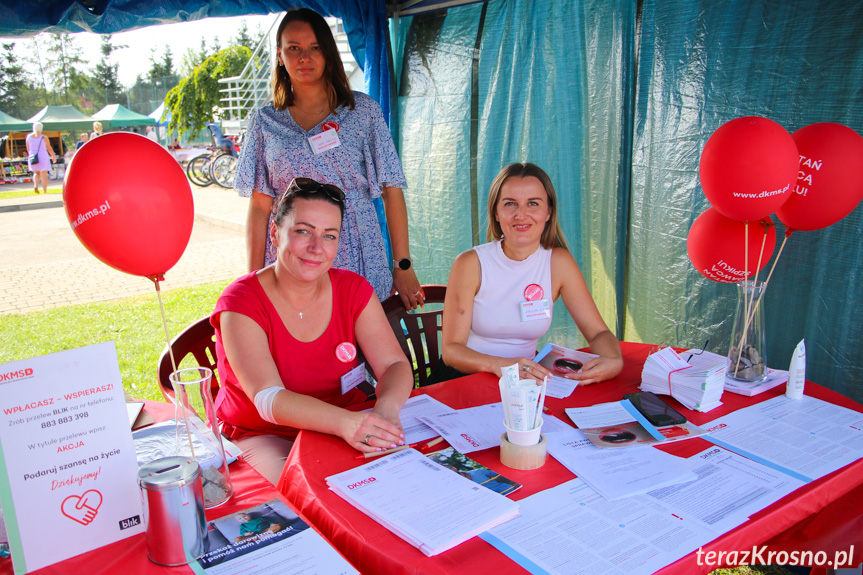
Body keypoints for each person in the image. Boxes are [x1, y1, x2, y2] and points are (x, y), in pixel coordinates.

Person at [212, 177, 414, 484]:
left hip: (348, 422)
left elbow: (394, 365)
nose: (316, 248)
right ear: (275, 234)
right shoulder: (241, 301)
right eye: (303, 231)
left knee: (399, 481)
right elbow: (269, 400)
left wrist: (385, 410)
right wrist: (347, 424)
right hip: (266, 434)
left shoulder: (353, 289)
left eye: (329, 236)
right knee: (302, 499)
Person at [234, 8, 424, 310]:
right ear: (280, 55)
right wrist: (253, 279)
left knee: (365, 344)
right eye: (293, 48)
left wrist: (402, 266)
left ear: (329, 53)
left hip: (359, 251)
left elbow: (391, 190)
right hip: (294, 255)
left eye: (315, 47)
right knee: (299, 343)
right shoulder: (264, 121)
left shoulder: (363, 112)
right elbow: (259, 207)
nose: (304, 58)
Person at [438, 162, 623, 385]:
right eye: (510, 204)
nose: (521, 214)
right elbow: (451, 351)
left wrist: (613, 360)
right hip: (466, 378)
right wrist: (500, 365)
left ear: (548, 212)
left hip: (524, 380)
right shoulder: (470, 263)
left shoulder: (559, 262)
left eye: (533, 203)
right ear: (496, 213)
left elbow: (598, 333)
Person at [26, 122, 56, 194]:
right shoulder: (44, 137)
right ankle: (44, 190)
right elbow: (49, 148)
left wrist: (31, 154)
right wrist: (53, 156)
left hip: (33, 155)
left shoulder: (29, 137)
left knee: (36, 173)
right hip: (43, 155)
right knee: (44, 174)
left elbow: (28, 148)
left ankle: (36, 185)